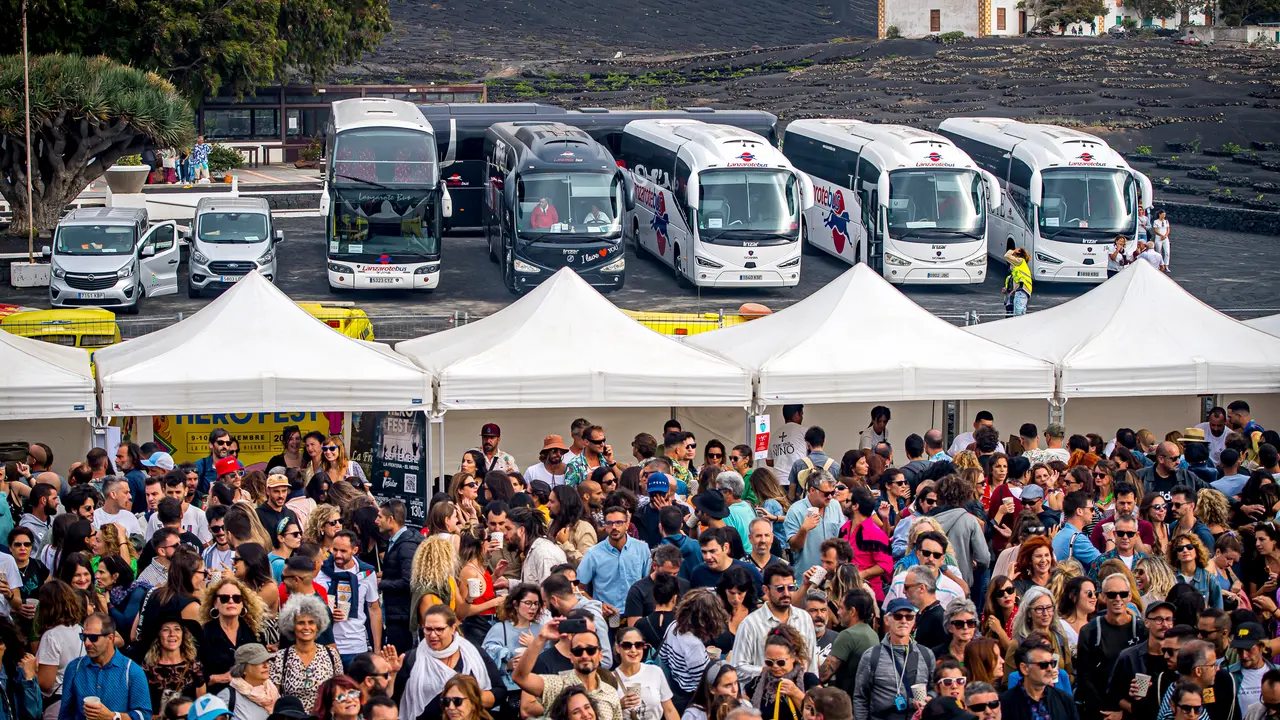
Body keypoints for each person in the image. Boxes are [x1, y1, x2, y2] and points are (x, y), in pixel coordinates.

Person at [511, 618, 622, 720]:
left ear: (600, 655)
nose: (585, 656)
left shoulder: (610, 692)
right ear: (571, 657)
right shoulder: (558, 684)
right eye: (578, 651)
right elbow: (520, 677)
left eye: (591, 650)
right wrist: (541, 638)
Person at [1078, 573, 1148, 719]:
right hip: (1101, 711)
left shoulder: (1141, 630)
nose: (1118, 599)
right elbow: (1085, 678)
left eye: (1123, 594)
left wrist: (1125, 712)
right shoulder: (1089, 632)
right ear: (1103, 597)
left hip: (1132, 710)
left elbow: (1147, 672)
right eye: (1112, 595)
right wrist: (1105, 711)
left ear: (1129, 597)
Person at [852, 597, 935, 720]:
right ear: (886, 620)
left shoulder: (926, 654)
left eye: (909, 617)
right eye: (897, 616)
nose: (903, 620)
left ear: (914, 621)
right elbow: (860, 697)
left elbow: (934, 688)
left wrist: (930, 698)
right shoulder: (871, 656)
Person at [58, 613, 150, 720]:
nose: (87, 643)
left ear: (110, 638)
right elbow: (65, 714)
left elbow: (143, 715)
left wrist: (113, 717)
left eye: (93, 638)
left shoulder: (132, 671)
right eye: (84, 637)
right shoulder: (74, 668)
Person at [733, 563, 817, 681]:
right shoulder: (750, 624)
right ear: (766, 590)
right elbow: (737, 667)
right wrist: (768, 670)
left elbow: (811, 662)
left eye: (791, 588)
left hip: (798, 693)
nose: (786, 594)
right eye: (780, 589)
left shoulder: (804, 618)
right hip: (763, 693)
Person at [271, 595, 341, 712]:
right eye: (301, 623)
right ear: (292, 626)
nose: (307, 627)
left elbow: (339, 691)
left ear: (318, 626)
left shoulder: (331, 654)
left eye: (311, 622)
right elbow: (274, 698)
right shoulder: (281, 657)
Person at [742, 625, 816, 720]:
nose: (775, 666)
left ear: (793, 657)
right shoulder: (756, 683)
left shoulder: (809, 680)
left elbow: (819, 714)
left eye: (781, 662)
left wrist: (796, 693)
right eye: (769, 662)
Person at [377, 500, 421, 654]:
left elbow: (408, 581)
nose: (376, 521)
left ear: (391, 520)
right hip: (396, 613)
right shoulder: (397, 542)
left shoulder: (406, 545)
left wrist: (381, 584)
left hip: (401, 616)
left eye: (380, 517)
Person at [999, 635, 1078, 720]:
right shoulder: (1004, 704)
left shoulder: (1064, 700)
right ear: (1024, 668)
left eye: (1052, 663)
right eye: (1043, 665)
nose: (1050, 669)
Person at [784, 468, 843, 576]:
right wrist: (804, 529)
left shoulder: (835, 505)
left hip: (833, 576)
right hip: (808, 576)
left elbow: (842, 539)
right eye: (826, 493)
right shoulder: (796, 511)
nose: (830, 497)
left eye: (832, 492)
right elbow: (794, 548)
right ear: (812, 490)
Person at [613, 626, 679, 720]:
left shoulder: (655, 671)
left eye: (638, 645)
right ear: (618, 648)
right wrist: (619, 706)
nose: (633, 650)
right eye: (627, 645)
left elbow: (669, 710)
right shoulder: (610, 679)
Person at [823, 589, 878, 695]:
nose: (838, 612)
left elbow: (824, 675)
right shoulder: (873, 634)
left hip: (848, 701)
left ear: (852, 611)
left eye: (841, 608)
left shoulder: (847, 635)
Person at [142, 620, 204, 714]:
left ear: (183, 634)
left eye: (177, 629)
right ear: (159, 635)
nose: (172, 634)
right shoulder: (147, 668)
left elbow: (201, 705)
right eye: (166, 630)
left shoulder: (194, 666)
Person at [504, 506, 566, 588]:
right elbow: (532, 586)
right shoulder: (533, 549)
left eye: (508, 529)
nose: (504, 533)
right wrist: (509, 583)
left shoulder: (544, 553)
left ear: (521, 530)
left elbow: (549, 593)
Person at [213, 644, 279, 720]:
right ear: (243, 669)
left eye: (267, 661)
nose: (266, 665)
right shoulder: (227, 696)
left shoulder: (272, 691)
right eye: (259, 661)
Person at [1168, 534, 1223, 610]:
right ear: (1175, 554)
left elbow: (1218, 610)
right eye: (1179, 548)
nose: (1185, 550)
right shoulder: (1170, 578)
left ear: (1197, 550)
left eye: (1189, 547)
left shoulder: (1209, 578)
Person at [934, 598, 979, 666]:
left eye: (970, 623)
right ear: (949, 627)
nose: (965, 627)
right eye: (959, 624)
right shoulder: (935, 655)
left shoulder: (983, 652)